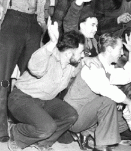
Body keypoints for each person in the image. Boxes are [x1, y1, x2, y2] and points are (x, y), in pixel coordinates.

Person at [7, 19, 86, 151]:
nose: (82, 56)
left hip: (44, 101)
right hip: (21, 98)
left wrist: (90, 59)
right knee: (47, 127)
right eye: (81, 52)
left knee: (71, 115)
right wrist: (52, 42)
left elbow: (80, 66)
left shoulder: (70, 65)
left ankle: (42, 143)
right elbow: (35, 67)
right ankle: (16, 132)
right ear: (69, 52)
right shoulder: (49, 55)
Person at [0, 0, 46, 142]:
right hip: (11, 23)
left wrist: (42, 31)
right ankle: (1, 128)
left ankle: (27, 124)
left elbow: (42, 11)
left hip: (32, 27)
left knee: (31, 78)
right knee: (2, 78)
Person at [64, 32, 131, 151]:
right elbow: (105, 89)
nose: (122, 53)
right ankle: (100, 146)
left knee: (122, 121)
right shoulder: (93, 65)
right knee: (107, 101)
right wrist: (129, 102)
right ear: (109, 49)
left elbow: (130, 75)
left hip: (86, 115)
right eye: (120, 49)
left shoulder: (108, 68)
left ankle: (86, 134)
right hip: (73, 116)